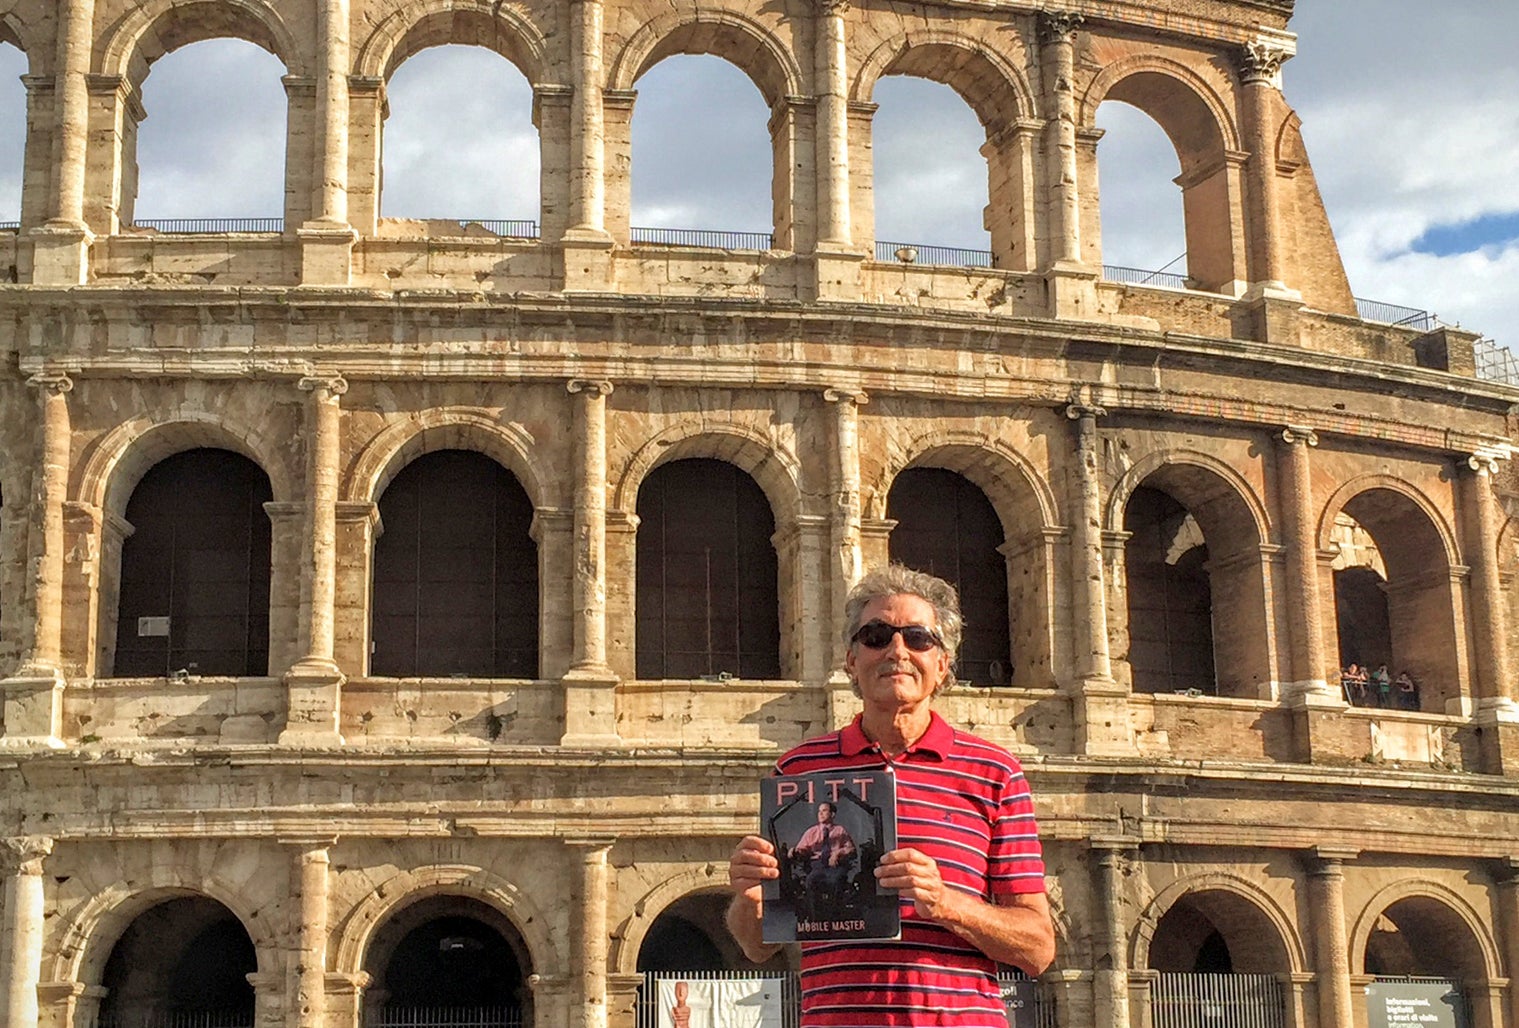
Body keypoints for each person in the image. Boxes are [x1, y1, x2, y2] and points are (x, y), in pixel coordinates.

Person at [726, 565, 1055, 1027]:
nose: (897, 650)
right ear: (850, 660)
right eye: (877, 635)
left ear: (942, 665)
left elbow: (1038, 947)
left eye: (919, 638)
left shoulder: (995, 773)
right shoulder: (799, 770)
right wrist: (750, 895)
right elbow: (756, 944)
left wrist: (945, 903)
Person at [790, 801, 857, 916]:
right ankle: (815, 917)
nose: (820, 814)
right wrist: (795, 851)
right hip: (817, 865)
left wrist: (837, 853)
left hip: (835, 865)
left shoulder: (840, 830)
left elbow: (851, 849)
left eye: (824, 811)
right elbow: (802, 849)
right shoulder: (811, 832)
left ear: (832, 814)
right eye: (819, 811)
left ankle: (834, 916)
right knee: (811, 881)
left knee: (836, 881)